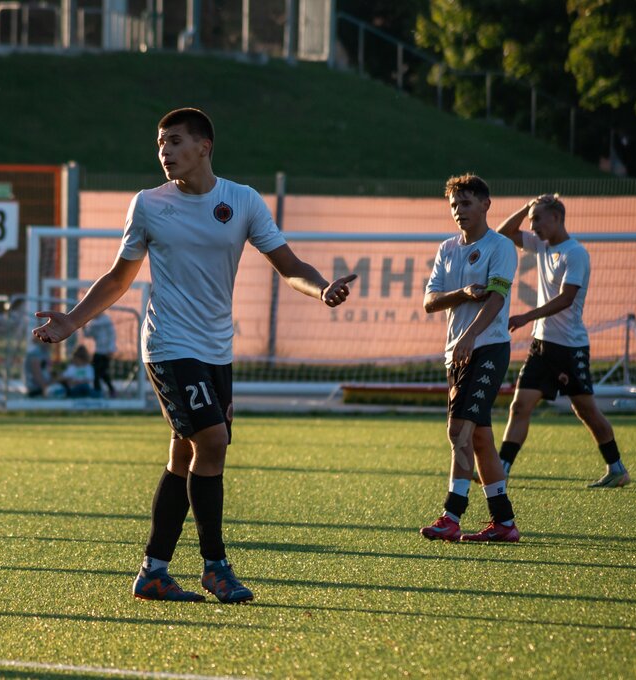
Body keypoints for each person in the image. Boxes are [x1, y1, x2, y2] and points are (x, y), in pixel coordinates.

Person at [32, 108, 356, 603]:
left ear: (204, 146)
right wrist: (73, 321)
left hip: (216, 349)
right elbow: (119, 277)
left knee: (185, 453)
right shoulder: (148, 204)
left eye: (175, 141)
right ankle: (216, 567)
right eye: (160, 143)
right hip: (168, 344)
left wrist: (322, 289)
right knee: (213, 440)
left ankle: (153, 572)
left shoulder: (242, 201)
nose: (164, 151)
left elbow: (288, 264)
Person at [495, 194, 630, 488]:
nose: (533, 226)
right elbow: (503, 234)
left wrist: (527, 316)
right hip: (541, 345)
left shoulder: (575, 253)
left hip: (569, 348)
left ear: (556, 218)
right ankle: (500, 471)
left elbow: (566, 299)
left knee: (586, 410)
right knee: (519, 406)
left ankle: (617, 469)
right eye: (531, 220)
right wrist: (527, 207)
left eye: (537, 219)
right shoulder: (541, 244)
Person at [420, 174, 520, 544]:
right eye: (453, 205)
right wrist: (461, 293)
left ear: (485, 205)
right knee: (479, 438)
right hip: (457, 352)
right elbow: (430, 302)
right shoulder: (447, 248)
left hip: (488, 347)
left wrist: (471, 335)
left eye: (465, 203)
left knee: (458, 430)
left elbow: (497, 298)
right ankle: (504, 523)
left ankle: (451, 516)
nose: (458, 211)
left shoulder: (501, 246)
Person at [84, 312, 117, 397]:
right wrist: (83, 327)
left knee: (102, 372)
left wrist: (111, 349)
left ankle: (109, 390)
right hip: (98, 351)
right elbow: (88, 334)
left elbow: (112, 336)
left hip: (106, 352)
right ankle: (98, 391)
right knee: (95, 372)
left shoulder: (106, 320)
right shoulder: (93, 323)